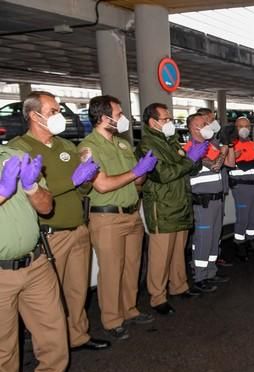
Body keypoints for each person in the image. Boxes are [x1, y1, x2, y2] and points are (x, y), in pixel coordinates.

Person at [9, 91, 109, 351]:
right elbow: (36, 190)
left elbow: (80, 190)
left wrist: (86, 181)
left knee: (78, 290)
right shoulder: (20, 148)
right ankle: (56, 344)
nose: (60, 116)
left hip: (78, 227)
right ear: (34, 115)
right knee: (52, 299)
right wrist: (73, 180)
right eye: (53, 111)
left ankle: (78, 335)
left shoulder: (67, 146)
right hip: (50, 234)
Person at [0, 146, 83, 372]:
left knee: (52, 325)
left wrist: (32, 186)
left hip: (35, 262)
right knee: (3, 340)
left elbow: (46, 207)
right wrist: (3, 190)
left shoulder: (14, 153)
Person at [78, 95, 158, 340]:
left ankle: (130, 309)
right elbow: (101, 185)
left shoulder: (122, 144)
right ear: (104, 118)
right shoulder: (88, 147)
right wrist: (135, 172)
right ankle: (112, 319)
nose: (123, 118)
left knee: (132, 267)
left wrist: (143, 171)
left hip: (132, 214)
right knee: (112, 270)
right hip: (107, 218)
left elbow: (137, 181)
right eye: (119, 113)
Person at [137, 103, 204, 316]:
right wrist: (188, 162)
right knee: (160, 256)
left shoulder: (171, 141)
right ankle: (158, 297)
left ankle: (179, 285)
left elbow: (186, 168)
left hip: (179, 202)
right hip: (162, 206)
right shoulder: (147, 145)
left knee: (178, 251)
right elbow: (162, 174)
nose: (170, 122)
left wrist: (194, 159)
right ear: (153, 122)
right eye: (166, 119)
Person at [186, 113, 228, 292]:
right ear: (193, 128)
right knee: (203, 240)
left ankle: (211, 272)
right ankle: (200, 276)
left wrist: (221, 153)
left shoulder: (208, 145)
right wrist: (224, 152)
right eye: (202, 124)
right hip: (203, 203)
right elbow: (215, 165)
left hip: (217, 199)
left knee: (214, 238)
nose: (207, 126)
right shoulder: (191, 148)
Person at [226, 116, 254, 259]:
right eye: (240, 126)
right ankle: (239, 243)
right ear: (235, 128)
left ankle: (252, 241)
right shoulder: (232, 145)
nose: (243, 129)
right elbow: (236, 165)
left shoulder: (252, 144)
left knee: (253, 216)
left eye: (246, 126)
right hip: (241, 187)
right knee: (242, 218)